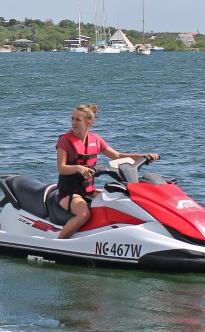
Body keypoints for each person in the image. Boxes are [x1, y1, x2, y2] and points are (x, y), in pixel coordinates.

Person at [56, 103, 160, 240]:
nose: (73, 123)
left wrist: (143, 156)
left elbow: (117, 156)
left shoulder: (95, 140)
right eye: (72, 119)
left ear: (89, 123)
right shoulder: (65, 141)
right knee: (84, 214)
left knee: (120, 200)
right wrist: (78, 168)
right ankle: (59, 243)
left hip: (89, 191)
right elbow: (61, 168)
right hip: (68, 193)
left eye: (78, 120)